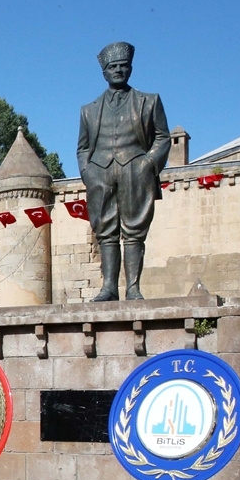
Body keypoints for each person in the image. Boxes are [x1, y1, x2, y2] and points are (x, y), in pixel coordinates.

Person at [77, 41, 170, 302]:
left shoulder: (148, 102)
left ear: (130, 69)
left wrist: (149, 164)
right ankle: (109, 287)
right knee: (105, 231)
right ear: (104, 72)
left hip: (135, 170)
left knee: (134, 230)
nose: (118, 70)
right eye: (113, 67)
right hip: (101, 174)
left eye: (123, 66)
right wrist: (88, 172)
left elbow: (163, 137)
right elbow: (82, 147)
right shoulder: (89, 110)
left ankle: (133, 287)